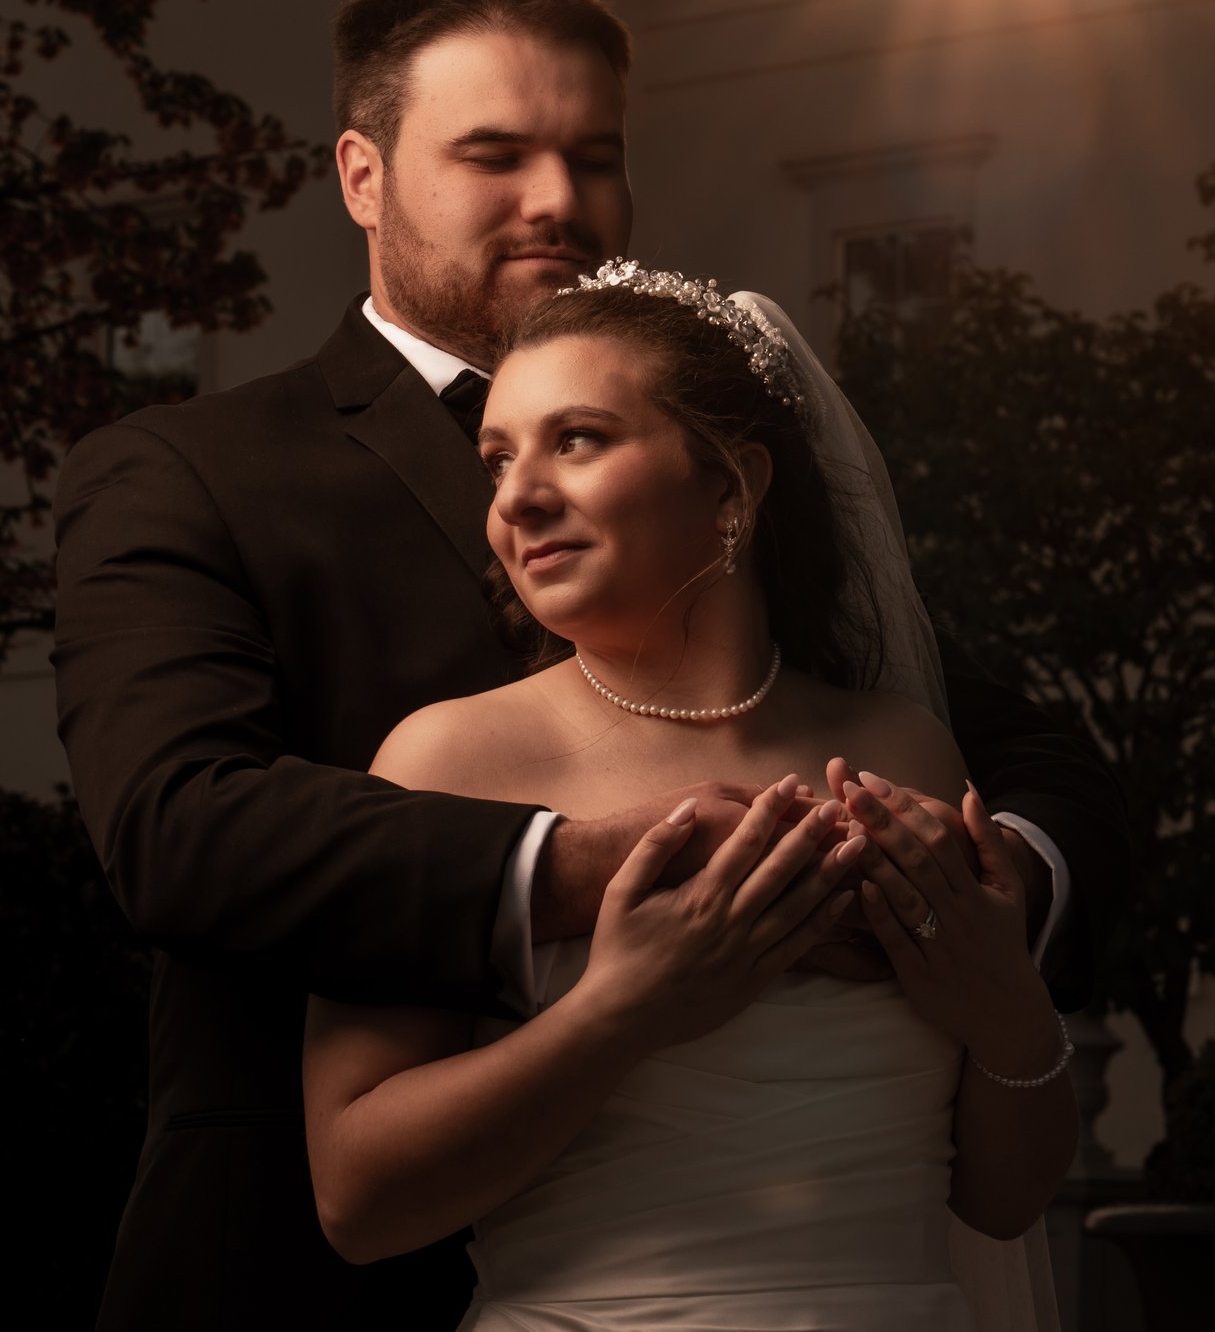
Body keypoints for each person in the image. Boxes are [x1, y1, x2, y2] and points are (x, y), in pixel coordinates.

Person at [51, 0, 1126, 1329]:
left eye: (594, 154)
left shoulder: (786, 569)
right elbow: (178, 822)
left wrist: (978, 902)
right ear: (361, 174)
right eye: (495, 152)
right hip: (299, 1279)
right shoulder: (190, 467)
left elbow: (1034, 762)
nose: (558, 198)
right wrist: (609, 865)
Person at [305, 268, 1076, 1328]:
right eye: (497, 458)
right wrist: (625, 1008)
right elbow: (358, 1200)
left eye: (575, 438)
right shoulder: (447, 759)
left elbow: (1002, 1198)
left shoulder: (900, 746)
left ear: (731, 487)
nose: (516, 495)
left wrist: (1009, 1009)